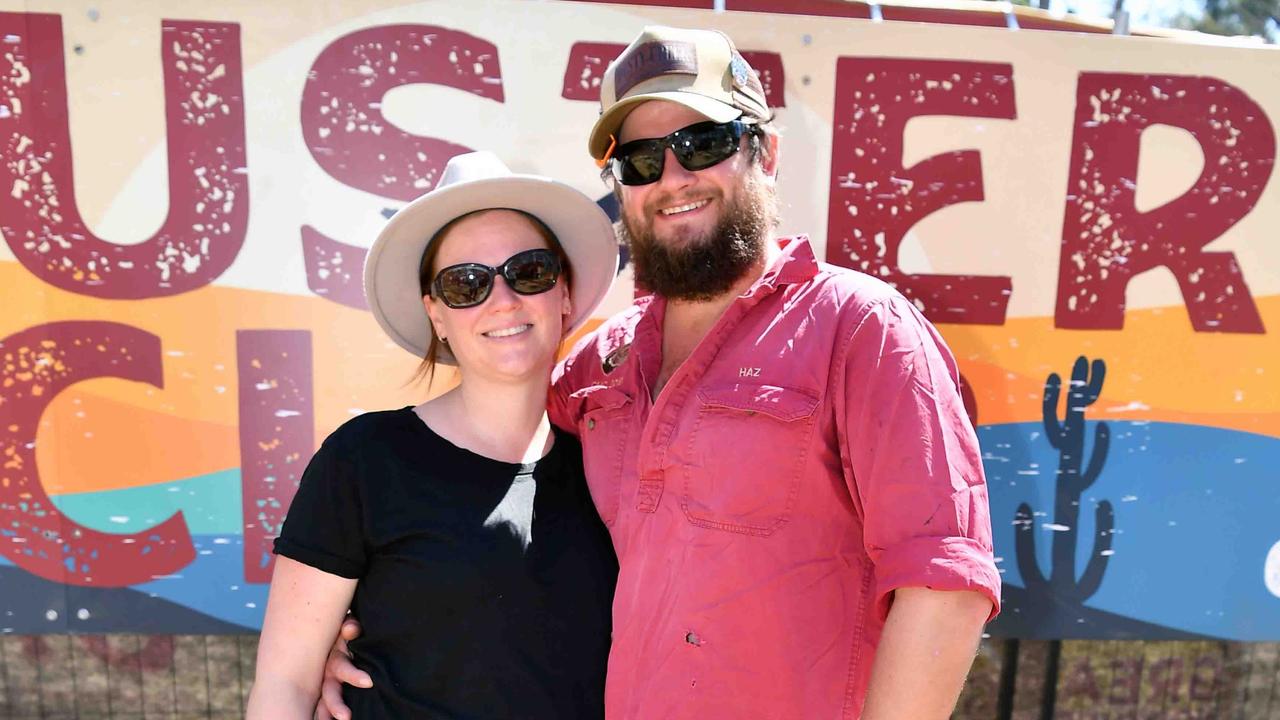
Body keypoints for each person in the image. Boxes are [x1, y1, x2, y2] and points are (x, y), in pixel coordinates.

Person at [322, 25, 1000, 720]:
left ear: (764, 152)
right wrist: (364, 644)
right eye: (642, 161)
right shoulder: (592, 370)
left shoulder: (862, 328)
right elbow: (482, 522)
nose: (672, 179)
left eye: (701, 143)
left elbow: (942, 585)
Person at [246, 151, 621, 719]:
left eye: (529, 271)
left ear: (563, 294)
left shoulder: (612, 464)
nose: (503, 299)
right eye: (466, 283)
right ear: (437, 314)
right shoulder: (364, 463)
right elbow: (286, 684)